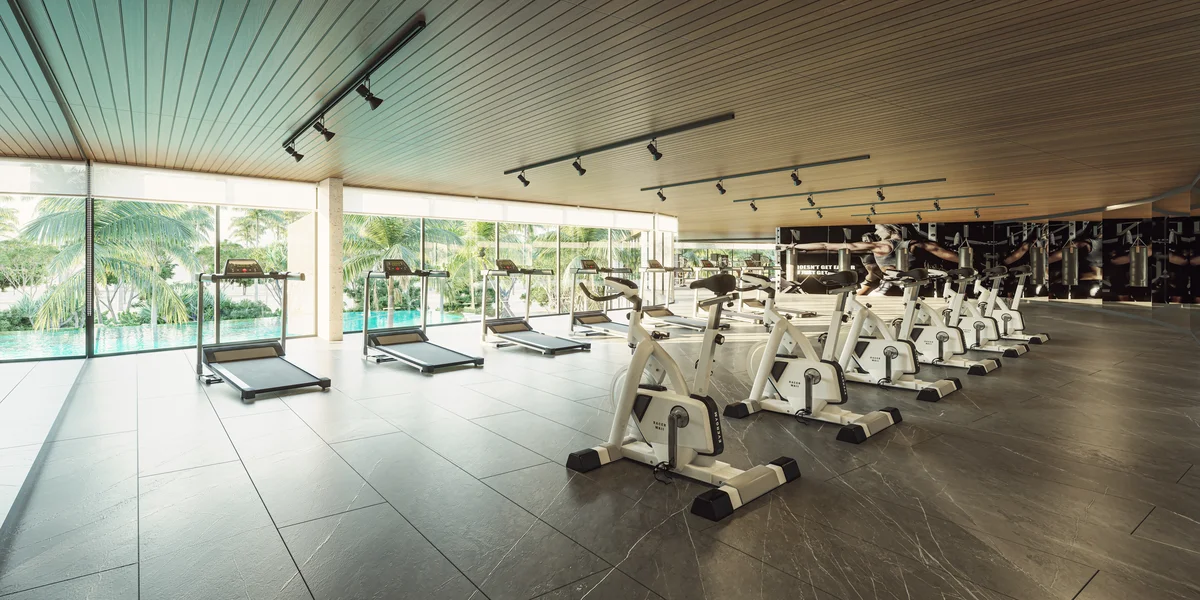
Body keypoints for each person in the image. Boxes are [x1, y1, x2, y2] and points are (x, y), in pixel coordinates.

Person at [789, 224, 958, 295]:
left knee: (876, 280)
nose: (876, 233)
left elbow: (826, 246)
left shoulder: (880, 246)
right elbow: (943, 252)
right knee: (872, 278)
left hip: (893, 281)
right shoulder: (916, 244)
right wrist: (967, 265)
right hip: (906, 282)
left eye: (878, 230)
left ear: (889, 231)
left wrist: (795, 246)